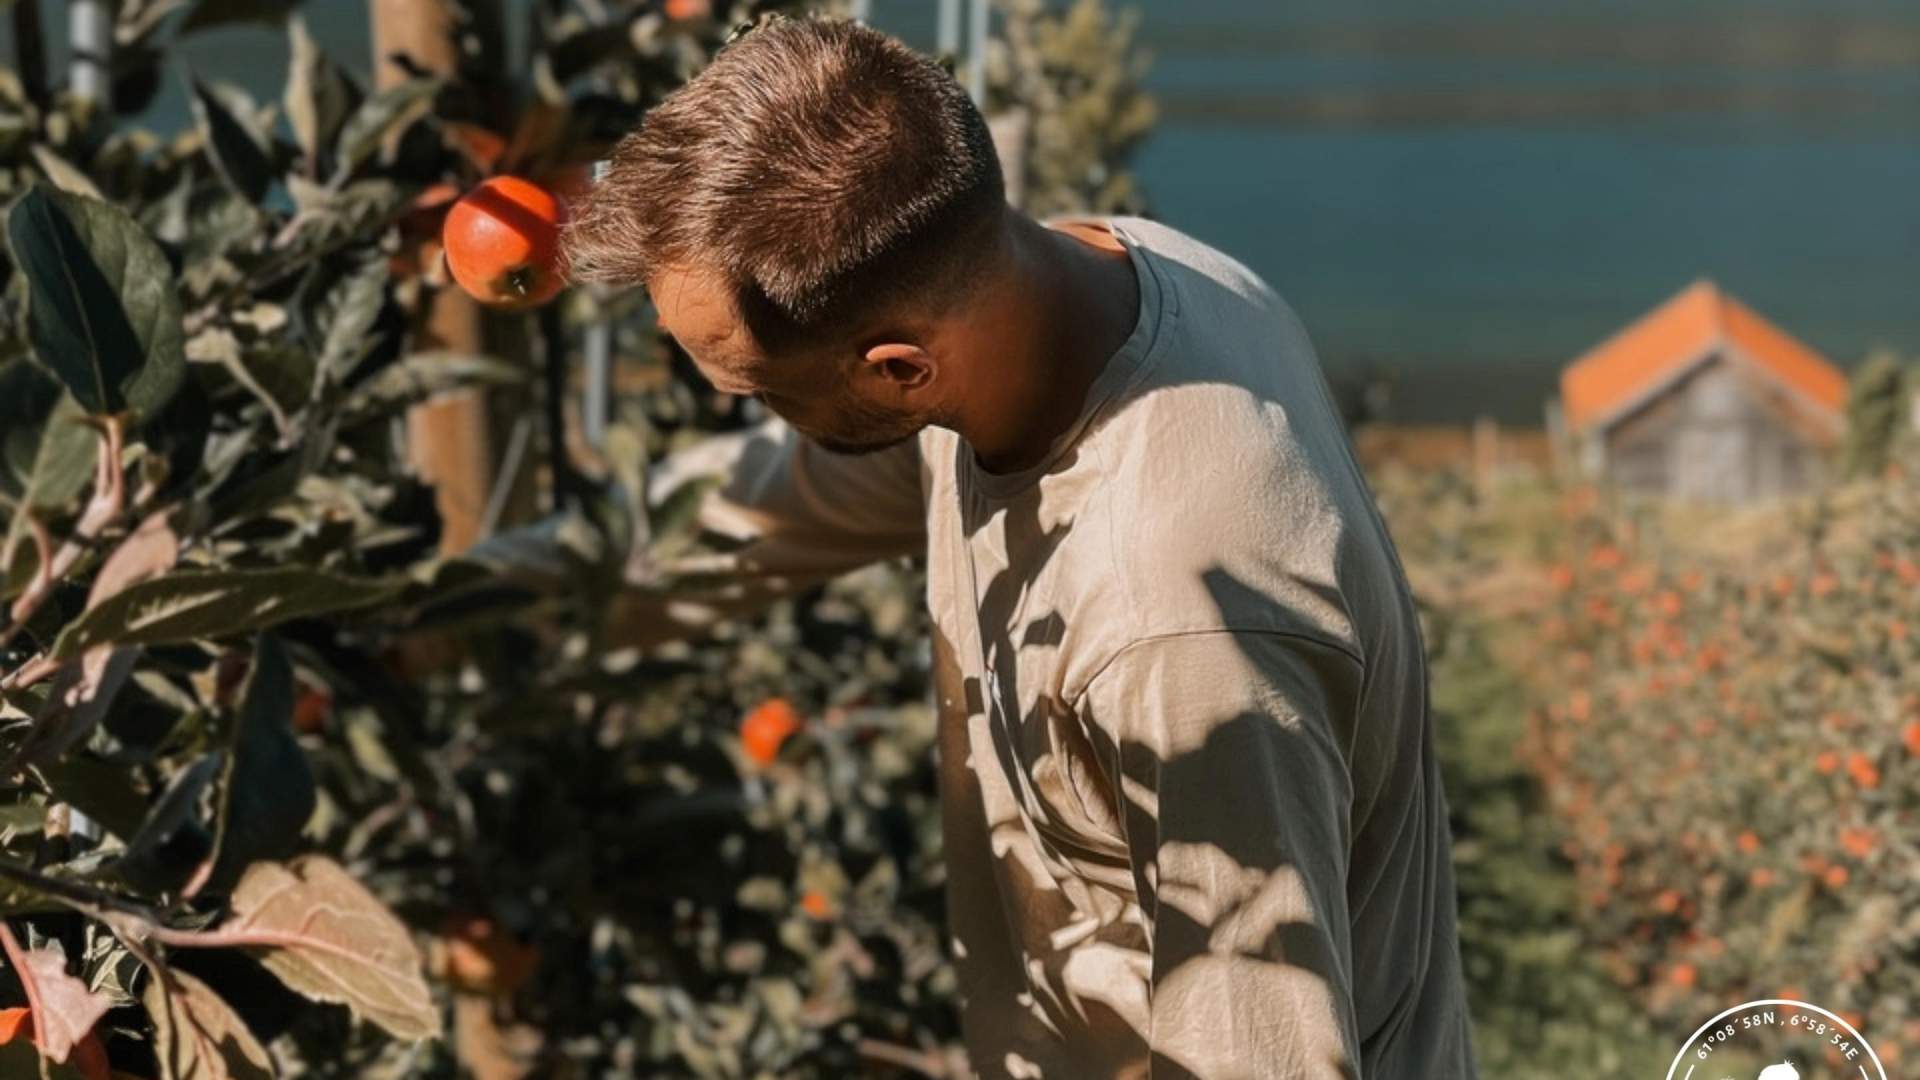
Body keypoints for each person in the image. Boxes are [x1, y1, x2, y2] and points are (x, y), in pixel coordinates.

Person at [564, 14, 1477, 1079]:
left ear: (902, 373)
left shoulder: (1177, 631)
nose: (738, 407)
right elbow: (775, 504)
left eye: (757, 389)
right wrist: (460, 608)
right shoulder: (1073, 290)